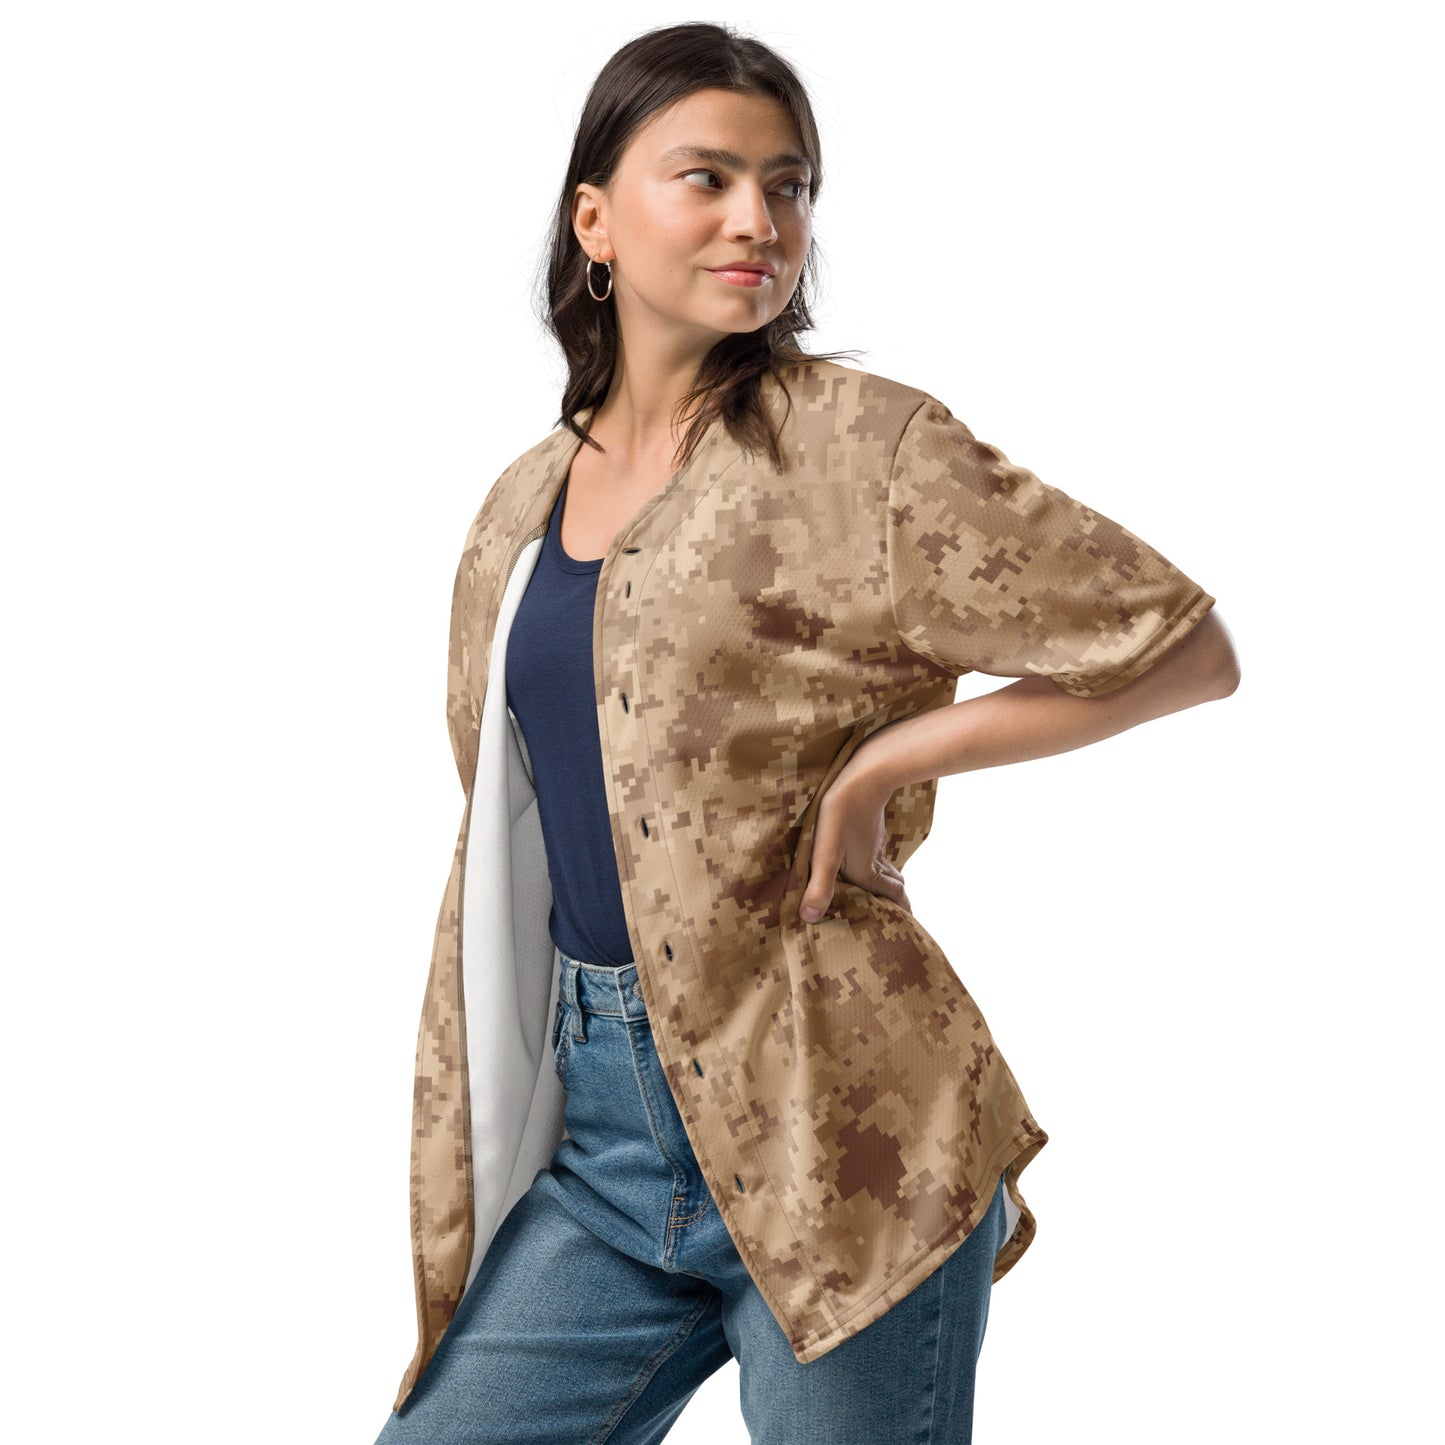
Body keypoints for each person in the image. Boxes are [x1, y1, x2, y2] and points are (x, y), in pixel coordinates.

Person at [374, 21, 1240, 1445]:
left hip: (841, 1129)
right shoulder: (520, 506)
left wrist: (893, 759)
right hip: (603, 1140)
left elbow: (1182, 648)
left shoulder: (860, 450)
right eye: (706, 178)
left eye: (788, 186)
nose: (758, 220)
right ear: (593, 220)